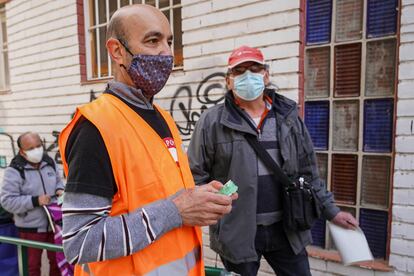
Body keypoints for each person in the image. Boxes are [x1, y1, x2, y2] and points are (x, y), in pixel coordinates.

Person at [58, 4, 237, 276]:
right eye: (152, 41)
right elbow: (80, 243)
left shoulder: (163, 118)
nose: (166, 53)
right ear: (117, 51)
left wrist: (200, 198)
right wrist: (177, 210)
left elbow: (163, 196)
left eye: (169, 41)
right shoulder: (95, 127)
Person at [187, 45, 359, 276]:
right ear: (228, 81)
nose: (248, 76)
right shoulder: (212, 122)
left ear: (266, 75)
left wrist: (332, 211)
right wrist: (214, 210)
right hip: (238, 231)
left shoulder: (288, 118)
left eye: (254, 69)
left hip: (288, 228)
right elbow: (196, 175)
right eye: (239, 71)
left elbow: (308, 171)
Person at [0, 132, 64, 276]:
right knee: (31, 267)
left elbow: (58, 181)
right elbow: (7, 201)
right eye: (31, 148)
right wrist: (35, 201)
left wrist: (60, 189)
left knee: (58, 263)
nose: (37, 150)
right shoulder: (14, 171)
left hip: (55, 224)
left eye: (39, 146)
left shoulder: (49, 162)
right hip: (30, 227)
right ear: (22, 152)